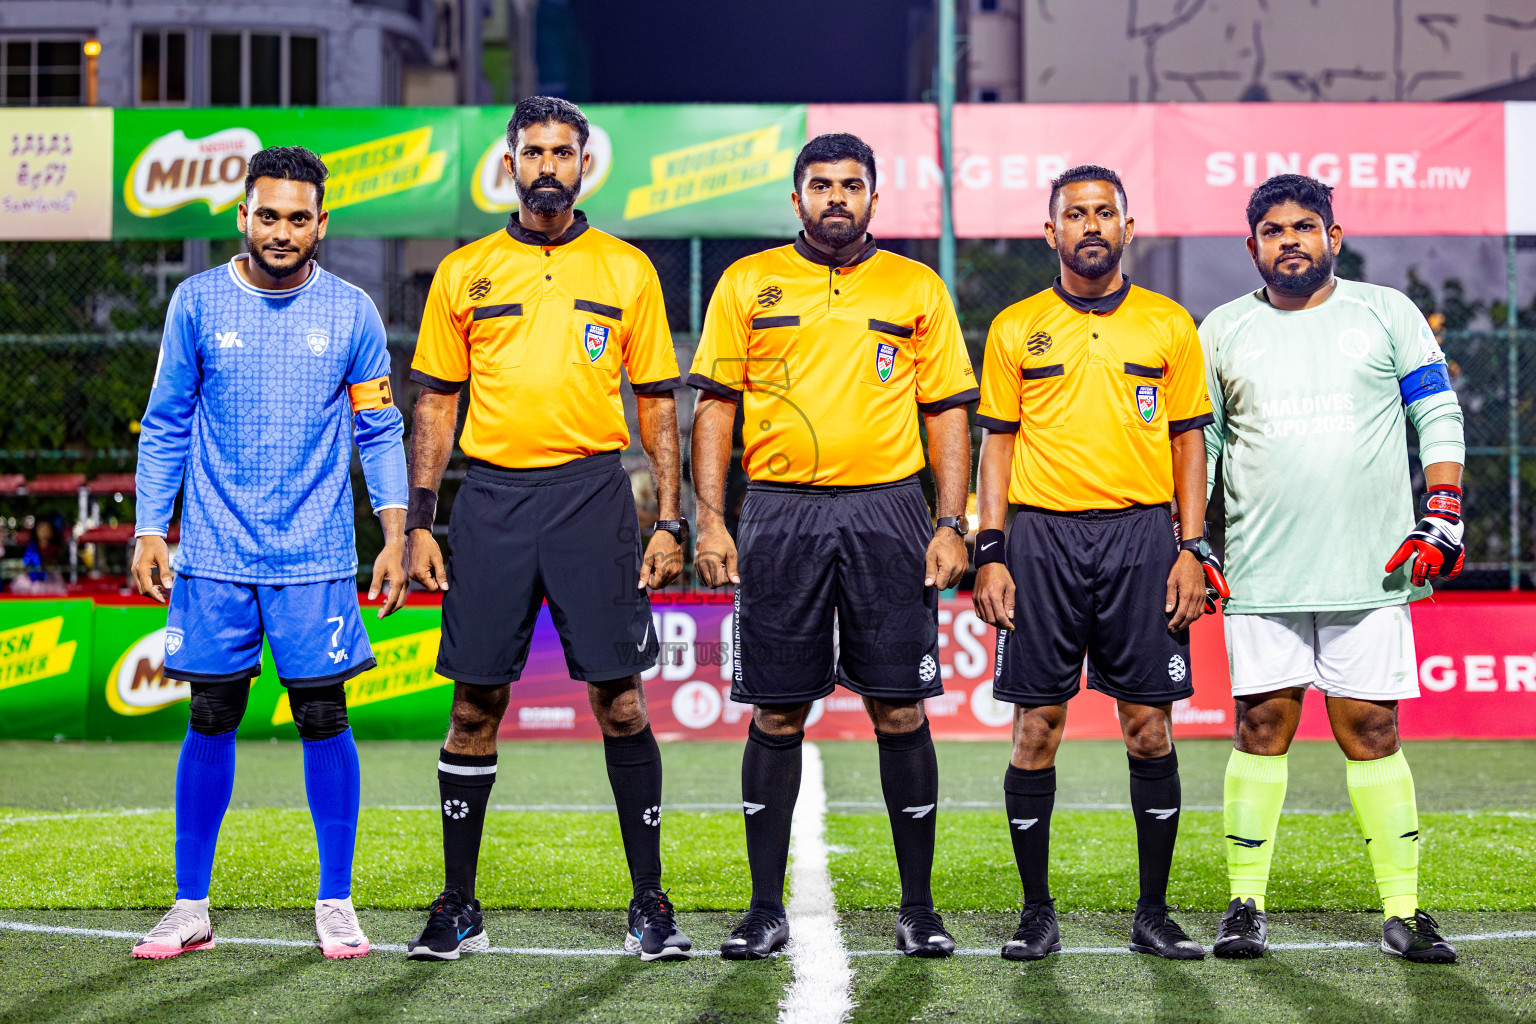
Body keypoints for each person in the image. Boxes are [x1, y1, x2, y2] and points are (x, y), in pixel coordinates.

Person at [403, 96, 690, 963]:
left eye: (564, 152)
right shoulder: (464, 273)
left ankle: (649, 902)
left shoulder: (627, 270)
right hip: (488, 503)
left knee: (622, 700)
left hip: (591, 499)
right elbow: (435, 405)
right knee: (474, 705)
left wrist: (670, 520)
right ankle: (458, 905)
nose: (549, 166)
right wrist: (420, 524)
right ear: (510, 162)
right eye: (535, 151)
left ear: (583, 164)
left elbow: (657, 409)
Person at [689, 132, 977, 960]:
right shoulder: (748, 282)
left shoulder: (916, 286)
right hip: (779, 512)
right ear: (796, 199)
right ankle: (761, 908)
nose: (837, 197)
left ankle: (918, 907)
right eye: (821, 184)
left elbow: (947, 411)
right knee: (778, 711)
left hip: (890, 512)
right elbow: (715, 408)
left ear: (875, 200)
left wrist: (950, 522)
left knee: (899, 707)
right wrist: (711, 518)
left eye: (853, 184)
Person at [129, 146, 409, 960]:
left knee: (325, 716)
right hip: (214, 554)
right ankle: (189, 906)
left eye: (298, 217)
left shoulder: (352, 312)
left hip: (316, 557)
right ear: (242, 216)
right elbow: (168, 421)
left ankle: (336, 900)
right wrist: (153, 527)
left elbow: (379, 427)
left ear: (322, 224)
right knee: (210, 714)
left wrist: (393, 533)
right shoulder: (196, 302)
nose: (282, 231)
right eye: (268, 215)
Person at [1201, 174, 1465, 963]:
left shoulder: (1386, 313)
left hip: (1369, 571)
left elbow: (1436, 411)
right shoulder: (1221, 329)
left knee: (1373, 730)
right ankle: (1245, 904)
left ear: (1334, 236)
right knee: (1261, 728)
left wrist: (1443, 512)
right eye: (1274, 230)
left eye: (1305, 226)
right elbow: (1204, 449)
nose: (1291, 240)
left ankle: (1404, 910)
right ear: (1252, 246)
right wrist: (1195, 541)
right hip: (1261, 572)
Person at [972, 164, 1225, 963]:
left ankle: (1153, 914)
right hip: (1041, 543)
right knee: (1035, 729)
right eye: (1074, 214)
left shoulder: (1168, 325)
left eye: (1104, 212)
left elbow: (1190, 440)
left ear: (1127, 226)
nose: (1090, 225)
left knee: (1149, 728)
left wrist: (1192, 546)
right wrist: (991, 549)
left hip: (1144, 541)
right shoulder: (1015, 327)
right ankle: (1036, 912)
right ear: (1050, 232)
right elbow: (997, 444)